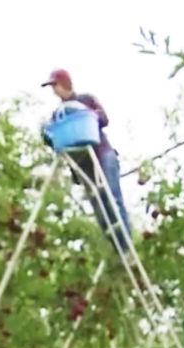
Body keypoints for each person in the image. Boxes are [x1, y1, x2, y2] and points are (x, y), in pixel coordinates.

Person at [41, 69, 132, 251]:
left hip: (102, 154)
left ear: (64, 83)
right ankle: (118, 250)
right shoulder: (58, 114)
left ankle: (128, 246)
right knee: (99, 207)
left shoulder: (86, 100)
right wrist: (47, 130)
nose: (54, 91)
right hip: (83, 165)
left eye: (55, 86)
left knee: (112, 198)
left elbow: (104, 118)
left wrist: (85, 116)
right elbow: (53, 139)